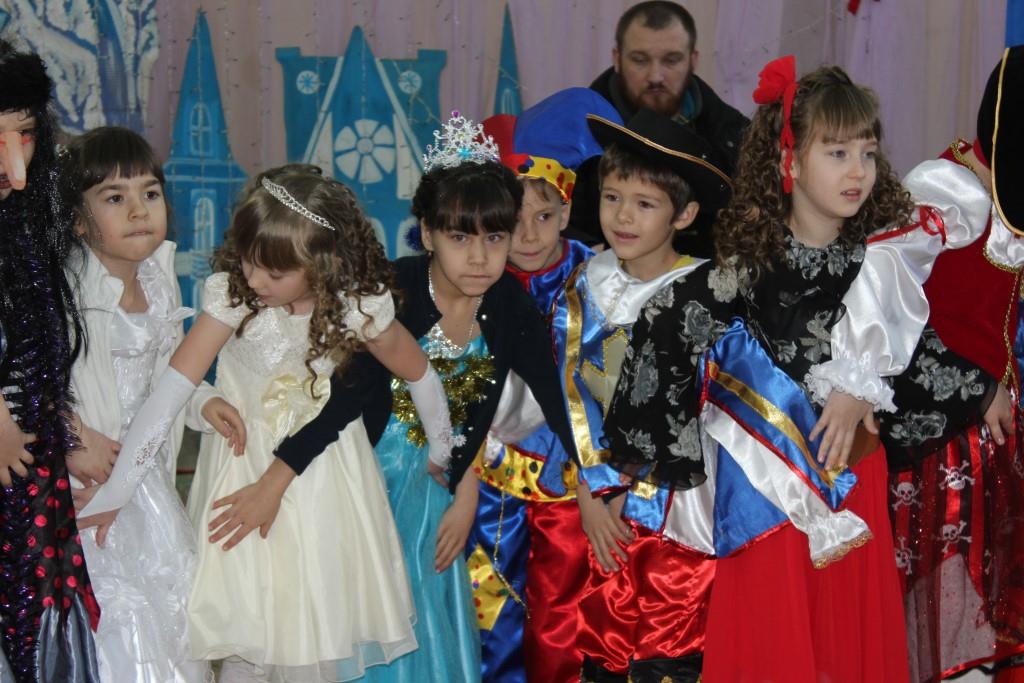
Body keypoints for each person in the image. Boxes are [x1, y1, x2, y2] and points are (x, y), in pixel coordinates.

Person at [603, 57, 1000, 683]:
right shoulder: (745, 271)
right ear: (788, 162)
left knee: (849, 644)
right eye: (837, 152)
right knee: (776, 646)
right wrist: (652, 460)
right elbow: (665, 324)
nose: (858, 170)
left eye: (867, 153)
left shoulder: (881, 263)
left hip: (854, 482)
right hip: (771, 497)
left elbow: (913, 348)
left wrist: (980, 390)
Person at [75, 169, 454, 681]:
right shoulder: (234, 298)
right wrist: (117, 491)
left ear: (322, 264)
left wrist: (442, 450)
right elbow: (168, 395)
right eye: (249, 261)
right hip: (240, 471)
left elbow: (420, 374)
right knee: (243, 632)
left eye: (273, 272)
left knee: (309, 632)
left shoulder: (357, 309)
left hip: (322, 485)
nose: (255, 280)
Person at [272, 113, 580, 683]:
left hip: (434, 488)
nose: (480, 258)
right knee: (362, 612)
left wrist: (592, 487)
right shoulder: (395, 292)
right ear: (428, 232)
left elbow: (554, 404)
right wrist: (276, 479)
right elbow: (344, 402)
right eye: (460, 238)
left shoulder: (510, 307)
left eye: (495, 238)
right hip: (365, 476)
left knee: (428, 608)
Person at [546, 110, 730, 683]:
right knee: (600, 635)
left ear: (685, 215)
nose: (622, 215)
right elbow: (570, 395)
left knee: (669, 642)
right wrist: (591, 488)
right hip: (594, 496)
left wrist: (627, 487)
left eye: (644, 204)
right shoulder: (586, 281)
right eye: (612, 197)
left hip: (677, 502)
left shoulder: (706, 292)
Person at [61, 126, 242, 682]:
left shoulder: (160, 282)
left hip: (148, 482)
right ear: (77, 218)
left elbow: (169, 377)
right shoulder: (68, 288)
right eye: (115, 197)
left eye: (150, 193)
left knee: (173, 612)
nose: (139, 210)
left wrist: (204, 401)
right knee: (117, 619)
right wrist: (71, 435)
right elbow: (35, 383)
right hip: (86, 478)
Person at [885, 45, 1024, 681]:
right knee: (940, 609)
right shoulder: (944, 191)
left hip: (996, 443)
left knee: (989, 612)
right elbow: (887, 316)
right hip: (940, 441)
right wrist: (974, 389)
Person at [466, 88, 614, 683]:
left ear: (567, 209)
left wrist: (596, 477)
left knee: (562, 621)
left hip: (571, 485)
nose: (528, 236)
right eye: (512, 220)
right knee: (489, 613)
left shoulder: (598, 281)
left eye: (544, 217)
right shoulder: (474, 281)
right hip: (487, 479)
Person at [0, 38, 100, 682]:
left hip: (28, 475)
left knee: (34, 629)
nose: (14, 164)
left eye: (26, 136)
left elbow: (38, 351)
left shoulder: (26, 224)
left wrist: (64, 426)